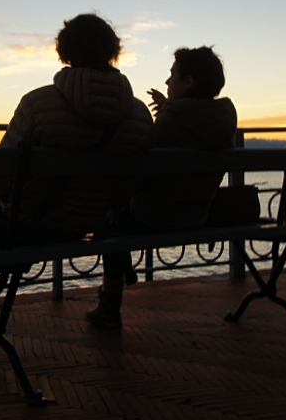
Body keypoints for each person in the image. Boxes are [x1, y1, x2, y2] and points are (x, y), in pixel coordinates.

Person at [0, 13, 153, 333]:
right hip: (87, 223)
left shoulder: (37, 103)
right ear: (113, 50)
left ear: (64, 51)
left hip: (31, 221)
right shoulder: (139, 115)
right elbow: (126, 191)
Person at [85, 46, 238, 328]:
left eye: (172, 76)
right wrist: (168, 109)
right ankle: (123, 266)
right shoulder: (225, 117)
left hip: (153, 218)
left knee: (107, 213)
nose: (167, 82)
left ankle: (110, 302)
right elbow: (192, 126)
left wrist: (164, 114)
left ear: (189, 82)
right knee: (115, 214)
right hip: (198, 216)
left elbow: (141, 167)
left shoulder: (172, 119)